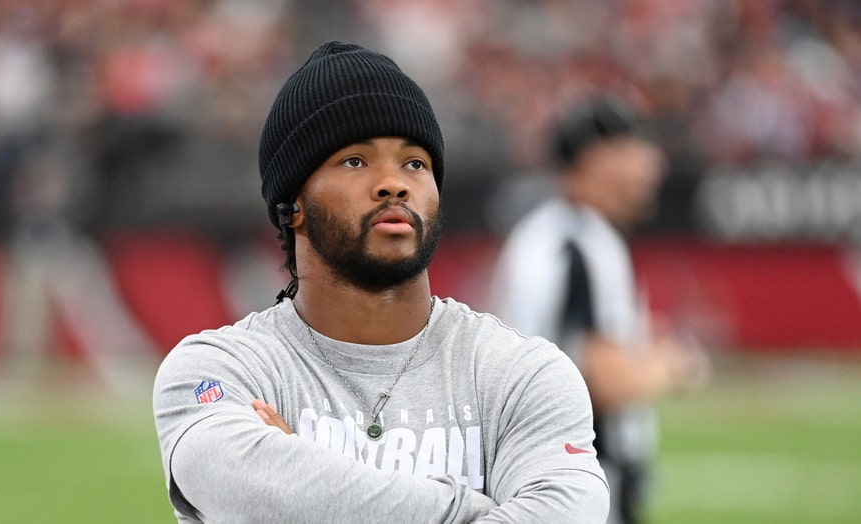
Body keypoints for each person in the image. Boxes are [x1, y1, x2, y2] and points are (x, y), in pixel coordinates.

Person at [152, 41, 609, 523]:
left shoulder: (522, 374)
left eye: (415, 162)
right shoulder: (217, 371)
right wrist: (473, 511)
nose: (394, 182)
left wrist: (310, 494)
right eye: (355, 161)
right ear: (294, 204)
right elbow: (238, 484)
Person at [490, 96, 710, 524]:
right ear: (598, 159)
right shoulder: (584, 245)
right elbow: (603, 382)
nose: (652, 167)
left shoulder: (544, 234)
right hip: (582, 480)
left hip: (535, 472)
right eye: (636, 150)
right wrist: (675, 363)